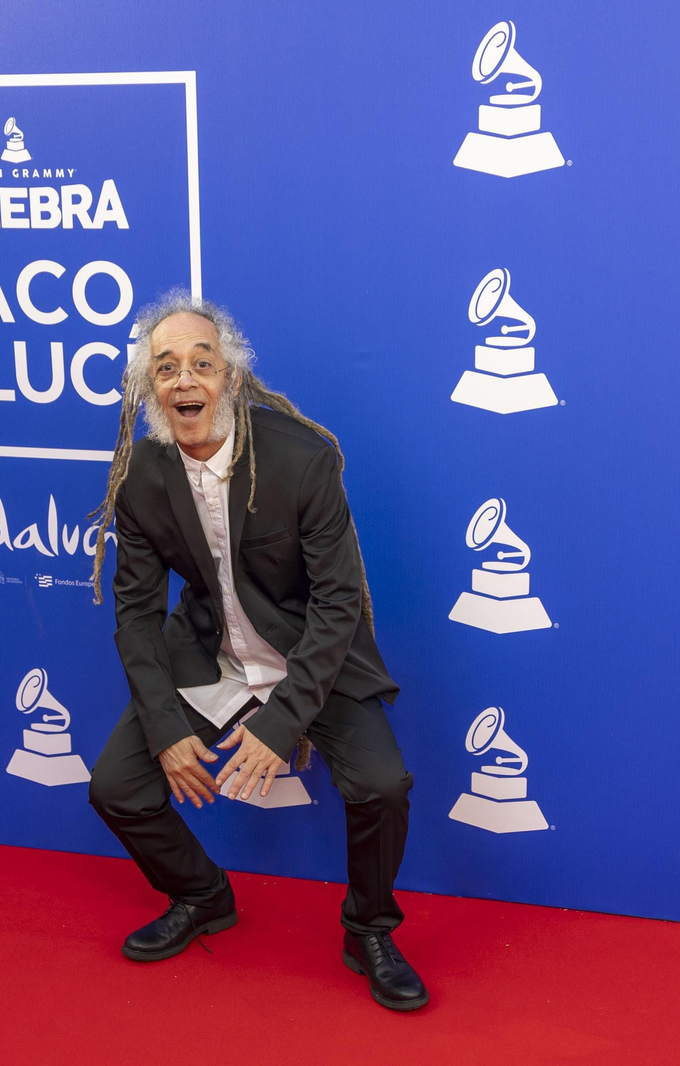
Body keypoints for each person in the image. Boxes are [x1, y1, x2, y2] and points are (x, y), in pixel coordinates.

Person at [84, 291, 427, 1011]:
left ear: (231, 380)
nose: (184, 381)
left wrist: (279, 726)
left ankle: (368, 928)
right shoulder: (141, 475)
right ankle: (203, 896)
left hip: (313, 657)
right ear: (150, 387)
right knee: (117, 788)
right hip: (212, 653)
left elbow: (338, 605)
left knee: (382, 784)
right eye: (166, 367)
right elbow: (138, 614)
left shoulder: (303, 460)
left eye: (201, 364)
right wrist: (165, 727)